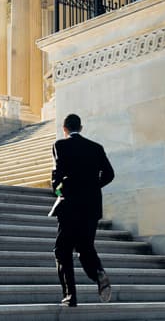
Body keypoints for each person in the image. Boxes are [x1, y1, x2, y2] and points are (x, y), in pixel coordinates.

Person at [50, 113, 115, 307]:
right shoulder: (96, 147)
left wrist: (59, 190)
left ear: (65, 128)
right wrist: (93, 187)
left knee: (62, 250)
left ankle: (70, 296)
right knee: (86, 248)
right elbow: (110, 174)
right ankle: (98, 273)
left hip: (70, 204)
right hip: (91, 206)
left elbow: (57, 176)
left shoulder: (60, 145)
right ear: (81, 127)